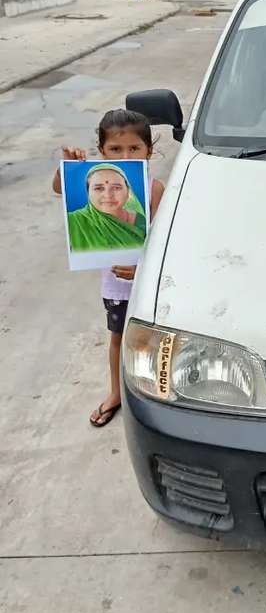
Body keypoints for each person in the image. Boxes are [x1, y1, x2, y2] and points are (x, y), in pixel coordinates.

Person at [53, 110, 165, 428]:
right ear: (102, 151)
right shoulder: (96, 182)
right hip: (116, 286)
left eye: (134, 148)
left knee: (150, 341)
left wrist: (141, 267)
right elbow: (61, 189)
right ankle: (116, 393)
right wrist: (70, 170)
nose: (126, 155)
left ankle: (154, 400)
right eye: (116, 150)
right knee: (117, 338)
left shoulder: (153, 188)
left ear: (149, 151)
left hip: (147, 284)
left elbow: (161, 238)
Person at [67, 163, 147, 253]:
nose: (108, 195)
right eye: (99, 188)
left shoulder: (143, 221)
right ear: (88, 192)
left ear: (128, 191)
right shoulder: (73, 221)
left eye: (116, 188)